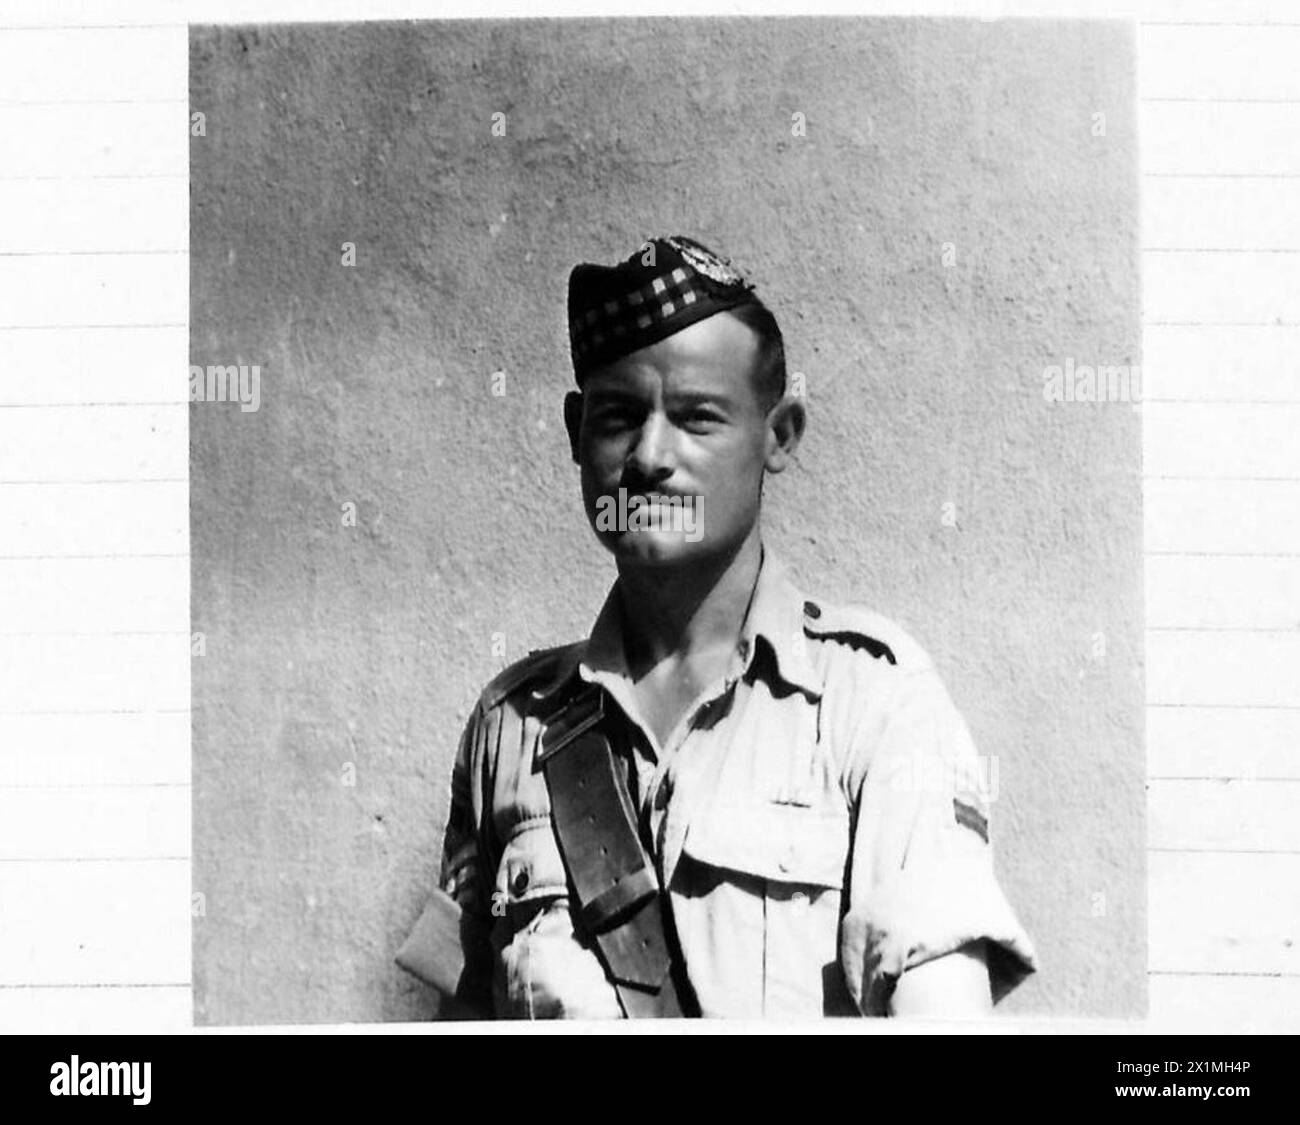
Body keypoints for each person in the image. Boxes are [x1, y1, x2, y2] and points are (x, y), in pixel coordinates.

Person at [406, 234, 1038, 1019]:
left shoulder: (873, 701)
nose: (648, 456)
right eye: (617, 416)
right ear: (575, 432)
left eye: (698, 418)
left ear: (779, 435)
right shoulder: (513, 725)